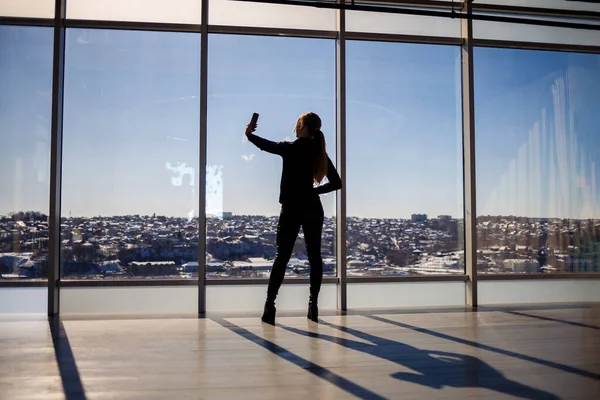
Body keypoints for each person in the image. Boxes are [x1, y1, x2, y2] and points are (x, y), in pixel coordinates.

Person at [245, 112, 342, 325]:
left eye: (298, 124)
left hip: (291, 207)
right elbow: (337, 183)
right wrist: (314, 192)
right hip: (312, 208)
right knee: (314, 256)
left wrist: (248, 133)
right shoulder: (319, 153)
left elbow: (264, 145)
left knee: (282, 257)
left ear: (304, 127)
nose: (295, 127)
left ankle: (269, 307)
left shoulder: (290, 148)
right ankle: (313, 306)